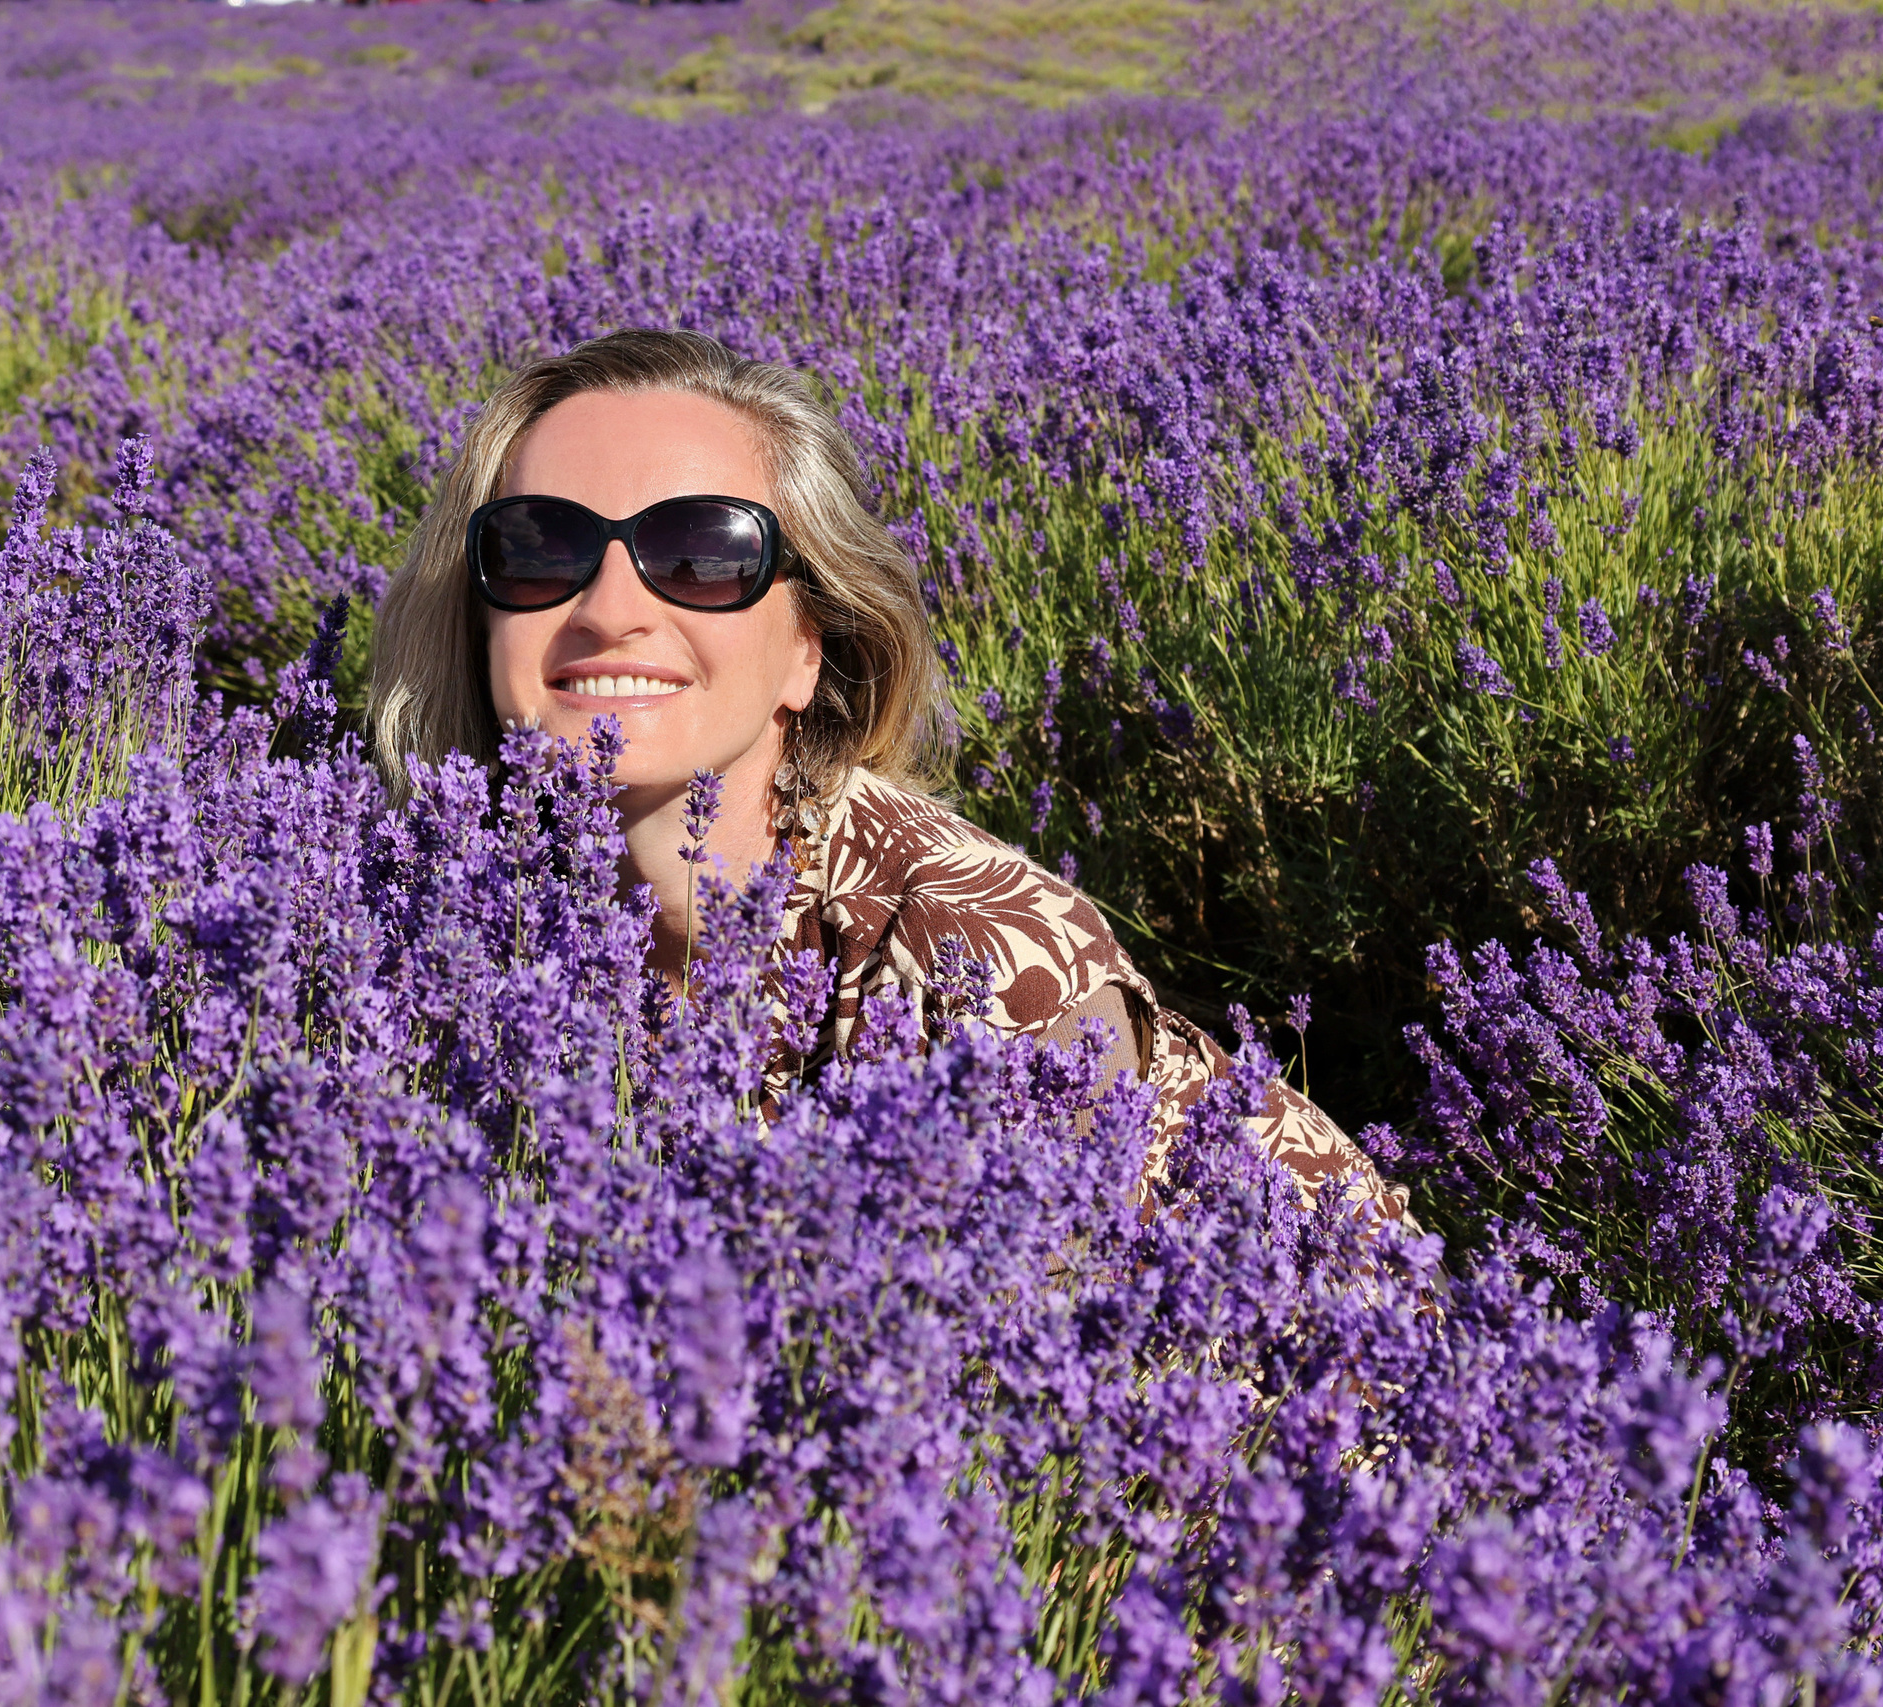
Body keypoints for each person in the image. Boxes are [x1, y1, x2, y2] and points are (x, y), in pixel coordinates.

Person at [371, 328, 1408, 1227]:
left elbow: (1027, 1406)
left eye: (699, 554)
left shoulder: (968, 962)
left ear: (806, 648)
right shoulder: (455, 907)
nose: (608, 608)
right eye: (540, 547)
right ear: (479, 612)